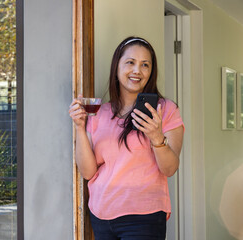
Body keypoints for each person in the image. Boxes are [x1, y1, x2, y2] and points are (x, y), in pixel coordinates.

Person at [69, 36, 184, 240]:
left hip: (144, 217)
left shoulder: (165, 110)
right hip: (101, 214)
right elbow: (88, 172)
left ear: (151, 72)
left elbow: (170, 168)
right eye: (130, 62)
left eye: (145, 65)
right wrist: (79, 127)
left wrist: (156, 137)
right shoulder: (99, 112)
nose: (137, 71)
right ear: (117, 67)